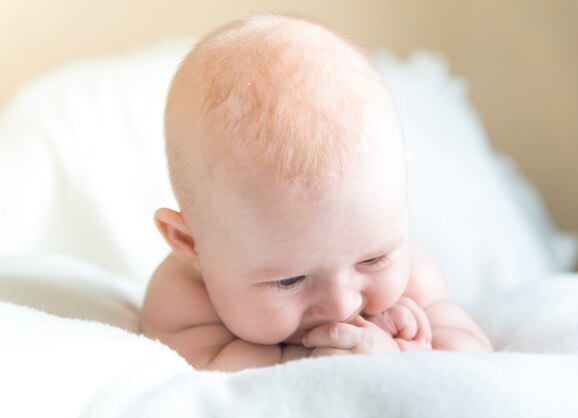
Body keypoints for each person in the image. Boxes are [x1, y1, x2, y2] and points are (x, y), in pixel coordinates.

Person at [140, 13, 492, 372]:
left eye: (373, 259)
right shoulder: (184, 297)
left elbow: (476, 360)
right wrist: (329, 357)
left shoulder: (413, 280)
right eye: (288, 280)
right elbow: (203, 381)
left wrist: (407, 354)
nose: (342, 305)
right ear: (189, 242)